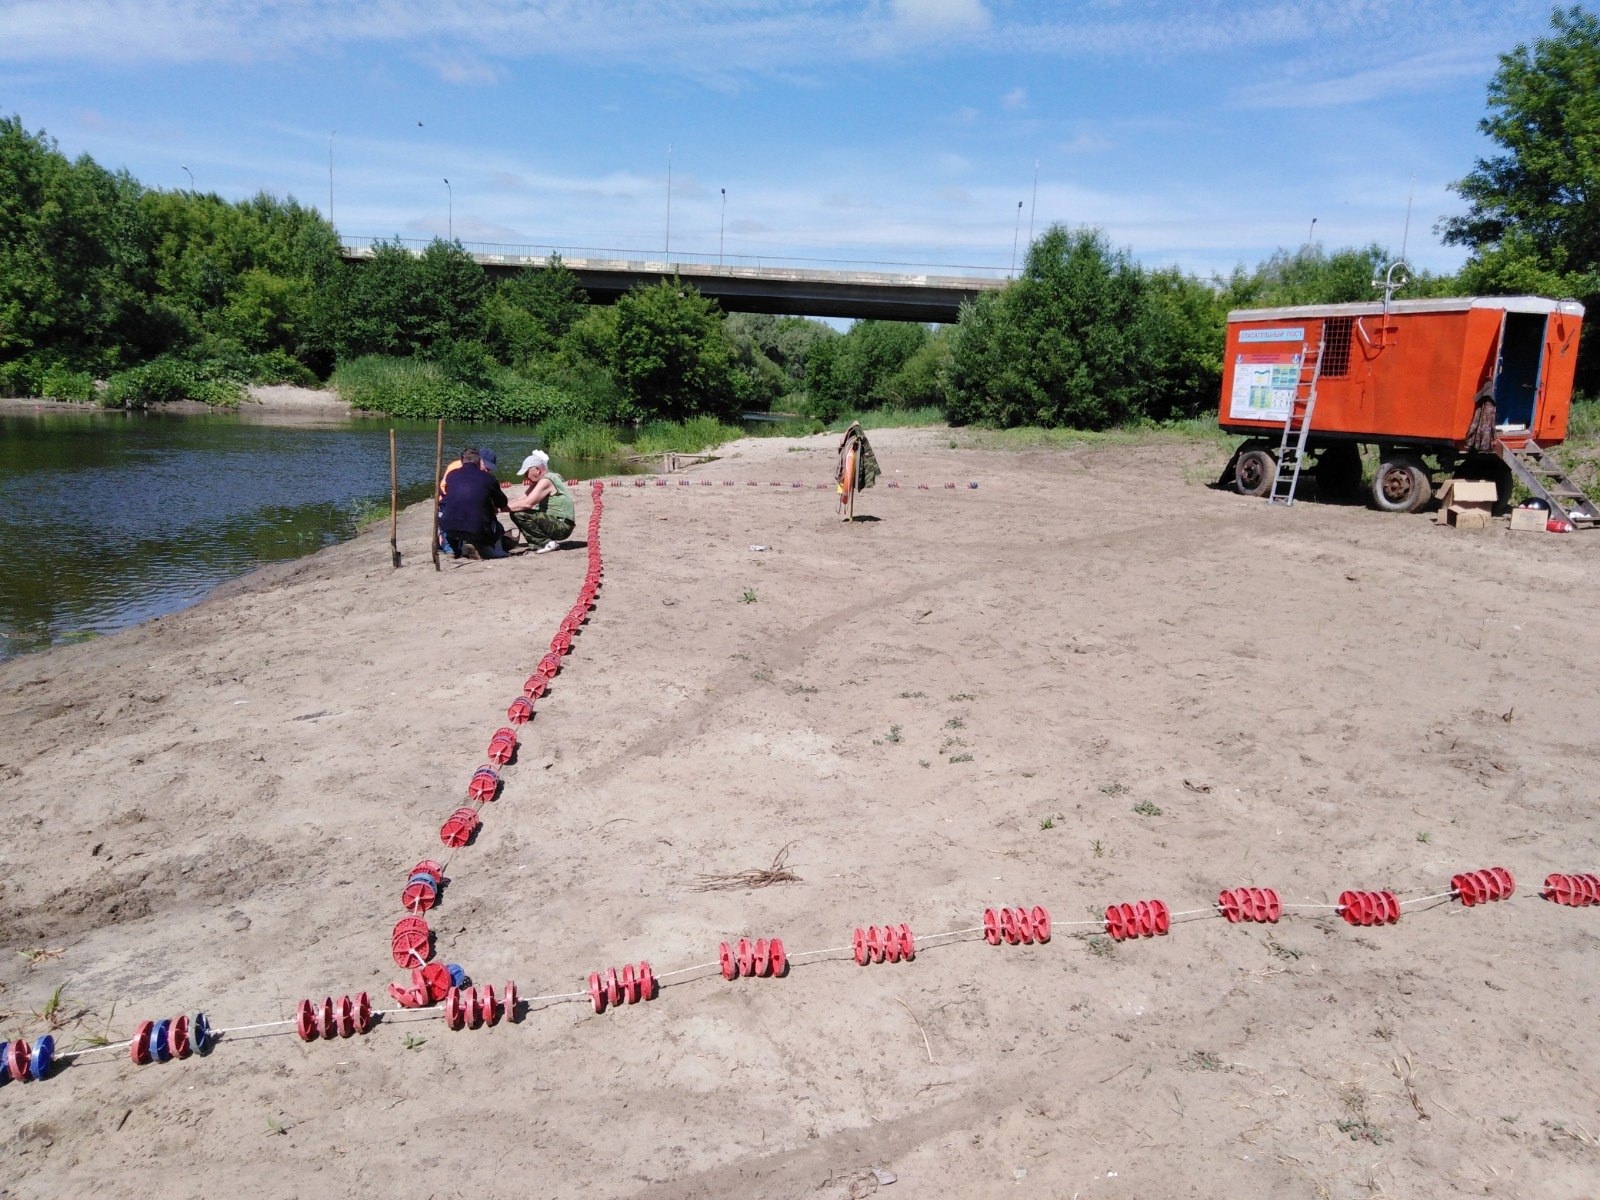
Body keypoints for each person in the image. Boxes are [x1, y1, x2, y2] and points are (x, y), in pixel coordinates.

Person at [438, 448, 510, 559]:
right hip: (477, 530)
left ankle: (451, 549)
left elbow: (447, 496)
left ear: (463, 460)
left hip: (450, 528)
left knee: (450, 512)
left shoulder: (451, 475)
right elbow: (502, 503)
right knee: (497, 527)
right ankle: (480, 546)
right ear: (479, 461)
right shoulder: (488, 479)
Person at [506, 450, 575, 554]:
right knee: (517, 510)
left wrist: (498, 509)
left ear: (537, 470)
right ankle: (543, 542)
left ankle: (545, 543)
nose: (525, 477)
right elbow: (521, 499)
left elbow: (527, 504)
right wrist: (498, 506)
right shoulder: (540, 481)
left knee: (519, 513)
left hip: (562, 526)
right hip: (556, 522)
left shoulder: (546, 480)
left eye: (526, 473)